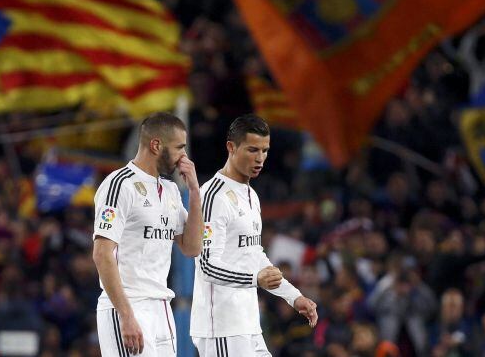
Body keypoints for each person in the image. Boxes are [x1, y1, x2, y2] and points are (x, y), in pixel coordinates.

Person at [190, 114, 317, 356]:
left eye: (264, 151)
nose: (260, 158)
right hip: (221, 327)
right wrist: (255, 279)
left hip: (248, 324)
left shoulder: (251, 195)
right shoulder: (213, 196)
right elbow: (206, 265)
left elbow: (254, 254)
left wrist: (293, 296)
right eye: (252, 150)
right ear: (231, 147)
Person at [92, 112, 203, 356]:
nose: (183, 157)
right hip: (129, 305)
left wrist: (194, 192)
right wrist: (126, 315)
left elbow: (192, 247)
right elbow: (102, 254)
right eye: (179, 148)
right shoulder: (119, 185)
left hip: (162, 307)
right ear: (156, 145)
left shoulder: (171, 190)